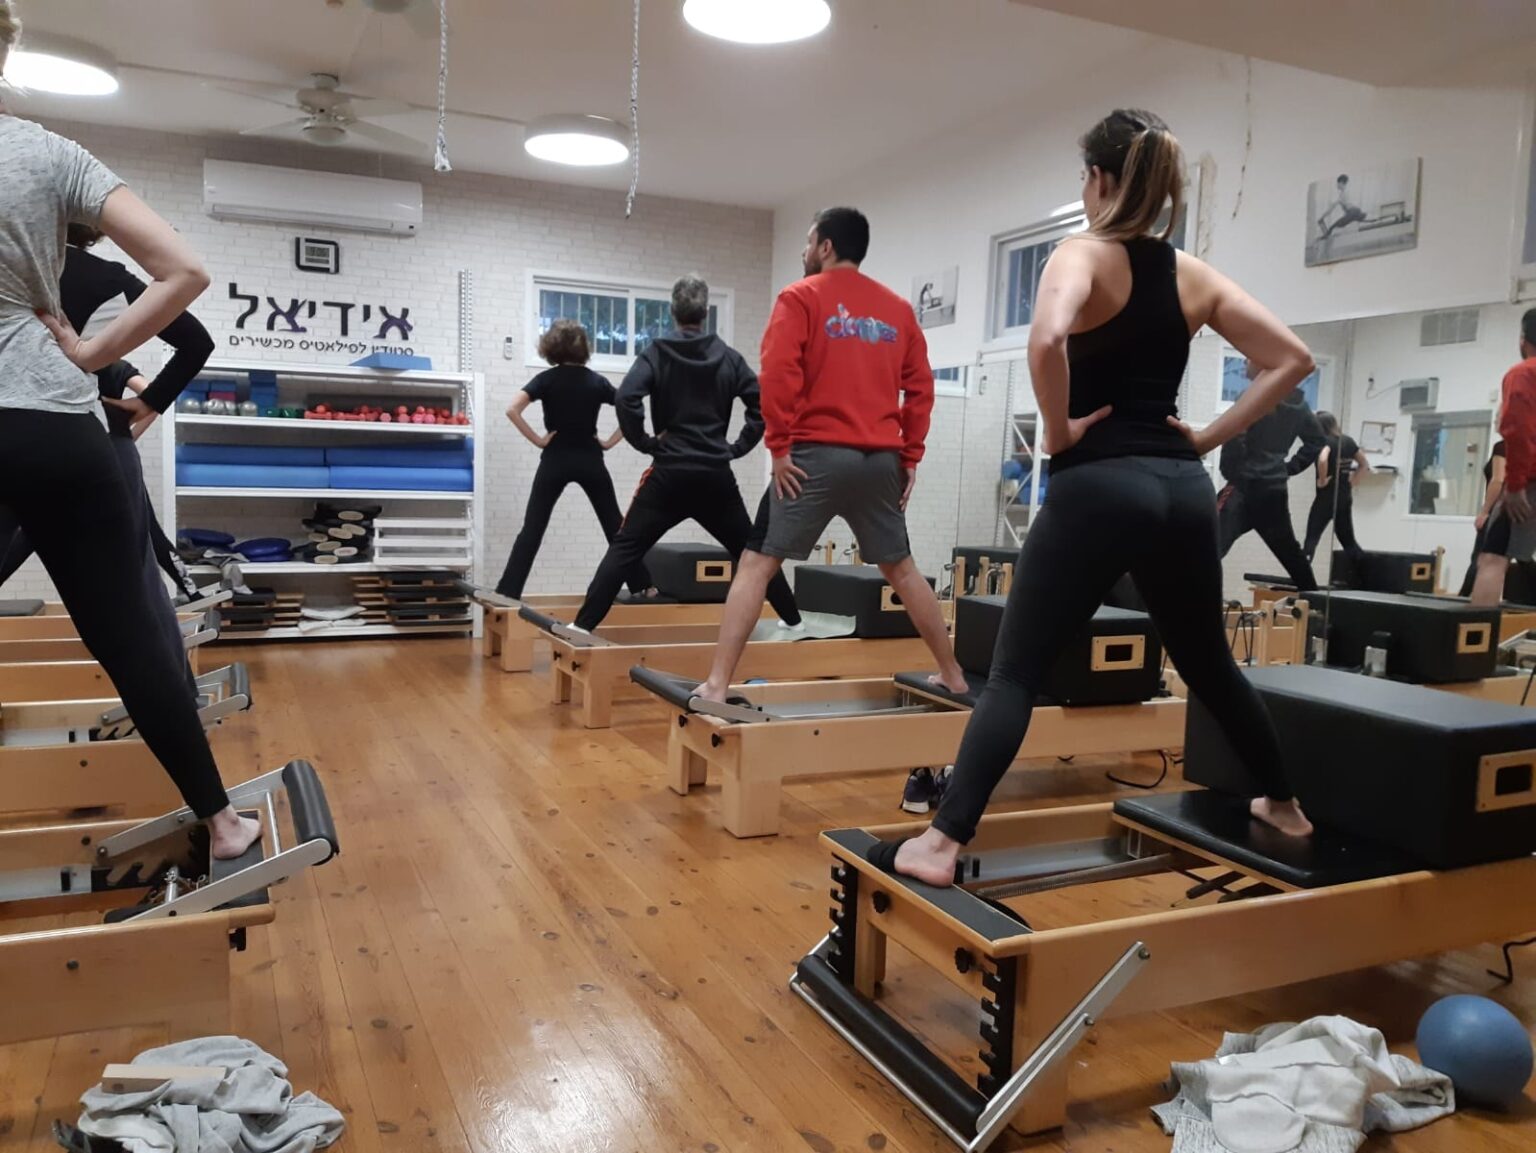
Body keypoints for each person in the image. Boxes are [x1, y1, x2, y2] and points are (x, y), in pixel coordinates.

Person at [880, 109, 1317, 886]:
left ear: (1099, 178)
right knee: (1210, 666)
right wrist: (1205, 440)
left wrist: (1057, 432)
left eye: (1084, 176)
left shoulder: (1079, 253)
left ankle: (940, 843)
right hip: (1182, 489)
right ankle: (1284, 802)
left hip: (1099, 483)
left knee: (1015, 673)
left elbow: (1047, 339)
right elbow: (1293, 359)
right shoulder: (1192, 274)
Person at [0, 0, 257, 858]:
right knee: (129, 634)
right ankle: (221, 821)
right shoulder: (48, 153)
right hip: (54, 423)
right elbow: (185, 271)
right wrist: (90, 355)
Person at [691, 207, 968, 707]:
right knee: (902, 570)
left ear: (826, 246)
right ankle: (952, 674)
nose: (803, 251)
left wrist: (778, 447)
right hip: (879, 463)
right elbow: (921, 388)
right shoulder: (898, 310)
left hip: (812, 460)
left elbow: (778, 373)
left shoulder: (799, 296)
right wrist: (909, 456)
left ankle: (716, 684)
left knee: (755, 565)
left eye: (807, 241)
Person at [570, 275, 801, 631]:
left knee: (625, 548)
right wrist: (737, 447)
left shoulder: (656, 352)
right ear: (705, 312)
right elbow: (761, 404)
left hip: (668, 476)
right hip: (715, 478)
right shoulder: (729, 357)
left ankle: (581, 627)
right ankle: (794, 621)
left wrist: (647, 442)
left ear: (672, 311)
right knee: (753, 554)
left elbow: (626, 398)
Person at [495, 319, 653, 600]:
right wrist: (610, 442)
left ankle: (508, 592)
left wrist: (539, 440)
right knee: (615, 525)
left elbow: (512, 409)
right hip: (590, 460)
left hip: (555, 460)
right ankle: (643, 585)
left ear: (552, 347)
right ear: (583, 348)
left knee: (532, 528)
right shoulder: (596, 381)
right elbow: (629, 408)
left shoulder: (546, 379)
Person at [1216, 363, 1325, 591]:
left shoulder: (1252, 397)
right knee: (1291, 554)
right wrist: (1287, 468)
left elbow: (1234, 436)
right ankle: (1315, 601)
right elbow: (1317, 441)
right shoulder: (1299, 404)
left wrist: (1233, 472)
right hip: (1273, 489)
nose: (1244, 363)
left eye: (1248, 360)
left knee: (1207, 546)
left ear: (1261, 365)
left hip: (1244, 488)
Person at [1469, 310, 1536, 607]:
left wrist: (1517, 485)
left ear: (1523, 340)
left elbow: (1517, 430)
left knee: (1492, 559)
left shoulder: (1523, 374)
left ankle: (1475, 634)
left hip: (1530, 482)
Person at [1302, 411, 1371, 562]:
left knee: (1311, 539)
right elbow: (1364, 464)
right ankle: (1366, 569)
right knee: (1348, 541)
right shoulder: (1348, 441)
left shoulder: (1324, 442)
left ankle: (1302, 572)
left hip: (1326, 498)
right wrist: (1353, 482)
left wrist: (1322, 479)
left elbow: (1322, 459)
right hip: (1344, 497)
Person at [1459, 439, 1505, 597]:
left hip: (1499, 511)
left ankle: (1461, 600)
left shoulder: (1503, 447)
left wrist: (1485, 511)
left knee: (1479, 559)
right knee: (1522, 558)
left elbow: (1498, 480)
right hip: (1522, 511)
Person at [1317, 174, 1367, 240]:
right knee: (1340, 223)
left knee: (1333, 227)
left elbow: (1330, 209)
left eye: (1337, 183)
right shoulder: (1348, 192)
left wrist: (1322, 217)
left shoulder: (1341, 196)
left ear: (1341, 183)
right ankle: (1361, 216)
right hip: (1356, 211)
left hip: (1352, 212)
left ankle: (1326, 236)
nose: (1337, 185)